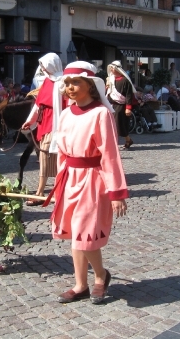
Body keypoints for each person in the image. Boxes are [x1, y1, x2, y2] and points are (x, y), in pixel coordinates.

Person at [46, 61, 128, 305]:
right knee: (75, 233)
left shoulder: (101, 113)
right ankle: (80, 284)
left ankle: (100, 276)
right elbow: (62, 151)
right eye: (67, 83)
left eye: (76, 83)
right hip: (70, 178)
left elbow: (110, 154)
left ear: (91, 86)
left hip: (93, 180)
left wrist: (116, 192)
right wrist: (60, 179)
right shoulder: (67, 112)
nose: (70, 87)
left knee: (86, 233)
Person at [21, 53, 65, 205]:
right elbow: (39, 105)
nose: (43, 70)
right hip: (45, 121)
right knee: (44, 155)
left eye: (45, 66)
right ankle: (41, 192)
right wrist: (29, 121)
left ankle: (52, 191)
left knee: (48, 155)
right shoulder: (46, 82)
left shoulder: (63, 82)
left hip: (57, 123)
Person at [106, 61, 135, 149]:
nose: (111, 69)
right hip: (110, 104)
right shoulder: (110, 79)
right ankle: (125, 141)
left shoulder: (125, 80)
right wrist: (106, 87)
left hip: (120, 105)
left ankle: (125, 140)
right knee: (110, 125)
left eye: (112, 68)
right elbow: (108, 92)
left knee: (119, 125)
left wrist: (128, 108)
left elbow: (129, 95)